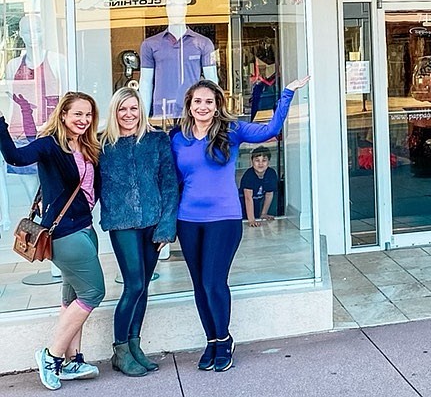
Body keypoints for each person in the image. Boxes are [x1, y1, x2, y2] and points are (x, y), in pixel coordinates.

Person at [170, 74, 309, 373]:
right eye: (198, 102)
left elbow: (272, 129)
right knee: (199, 286)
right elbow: (175, 181)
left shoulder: (231, 131)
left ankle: (224, 339)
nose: (203, 106)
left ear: (217, 104)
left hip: (224, 219)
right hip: (188, 220)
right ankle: (211, 341)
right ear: (190, 105)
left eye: (209, 101)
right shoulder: (178, 137)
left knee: (213, 281)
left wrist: (287, 93)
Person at [0, 92, 104, 391]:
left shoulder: (86, 145)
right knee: (93, 292)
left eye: (87, 115)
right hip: (64, 232)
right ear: (63, 115)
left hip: (85, 227)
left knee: (72, 296)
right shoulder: (50, 145)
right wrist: (1, 123)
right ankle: (51, 356)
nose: (83, 120)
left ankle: (73, 361)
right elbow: (15, 157)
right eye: (77, 114)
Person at [99, 87, 179, 377]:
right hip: (122, 224)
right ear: (114, 112)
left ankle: (134, 346)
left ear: (141, 110)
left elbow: (170, 184)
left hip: (153, 223)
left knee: (143, 286)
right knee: (133, 284)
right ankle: (120, 350)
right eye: (122, 109)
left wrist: (166, 226)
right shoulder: (102, 145)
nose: (128, 115)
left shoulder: (157, 140)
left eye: (133, 108)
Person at [139, 0, 217, 120]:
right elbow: (145, 82)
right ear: (166, 9)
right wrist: (143, 119)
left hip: (194, 108)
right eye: (171, 5)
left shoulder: (203, 43)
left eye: (180, 5)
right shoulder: (150, 44)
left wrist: (214, 115)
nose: (175, 9)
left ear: (186, 8)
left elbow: (212, 81)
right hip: (162, 109)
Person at [239, 147, 278, 225]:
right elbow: (248, 198)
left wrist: (263, 214)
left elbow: (269, 194)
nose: (260, 163)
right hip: (242, 203)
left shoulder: (271, 174)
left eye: (264, 160)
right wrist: (251, 219)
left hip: (257, 201)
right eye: (257, 160)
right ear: (252, 162)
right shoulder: (248, 175)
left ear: (269, 162)